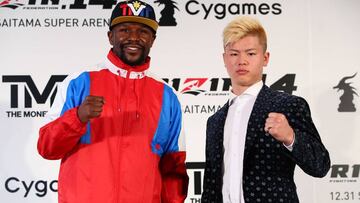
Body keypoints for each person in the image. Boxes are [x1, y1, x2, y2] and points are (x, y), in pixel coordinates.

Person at [37, 1, 188, 202]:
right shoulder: (79, 82)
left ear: (153, 40)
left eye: (143, 31)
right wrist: (77, 117)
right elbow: (47, 147)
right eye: (124, 30)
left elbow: (174, 168)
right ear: (110, 36)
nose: (133, 37)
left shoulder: (167, 96)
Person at [201, 16, 330, 203]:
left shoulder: (288, 105)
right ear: (225, 58)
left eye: (251, 53)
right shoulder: (215, 120)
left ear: (265, 58)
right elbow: (211, 186)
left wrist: (291, 138)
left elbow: (321, 166)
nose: (242, 61)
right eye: (234, 53)